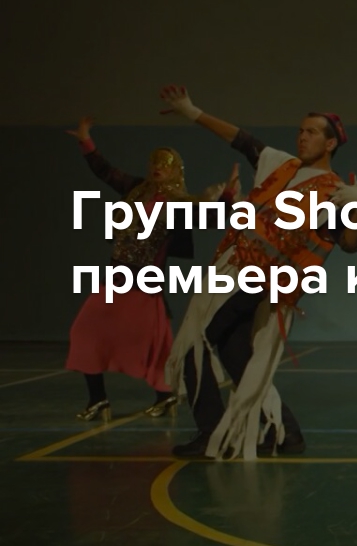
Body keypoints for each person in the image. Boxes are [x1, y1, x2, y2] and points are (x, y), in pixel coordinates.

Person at [158, 85, 357, 460]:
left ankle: (211, 433)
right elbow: (241, 139)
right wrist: (192, 111)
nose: (302, 137)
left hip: (260, 281)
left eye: (311, 132)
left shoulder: (335, 192)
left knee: (195, 342)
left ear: (331, 143)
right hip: (233, 269)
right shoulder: (280, 164)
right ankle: (286, 432)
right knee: (235, 354)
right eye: (300, 130)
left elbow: (350, 244)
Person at [65, 117, 236, 422]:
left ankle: (165, 394)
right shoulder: (136, 189)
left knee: (153, 343)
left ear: (176, 170)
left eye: (166, 164)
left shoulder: (179, 203)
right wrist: (85, 140)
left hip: (144, 282)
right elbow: (105, 171)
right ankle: (98, 399)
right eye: (155, 162)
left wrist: (227, 198)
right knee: (85, 330)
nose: (159, 167)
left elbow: (210, 219)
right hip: (115, 277)